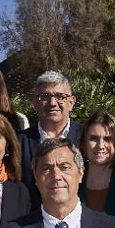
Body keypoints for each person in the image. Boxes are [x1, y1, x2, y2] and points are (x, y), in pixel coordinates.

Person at [18, 70, 82, 198]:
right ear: (35, 103)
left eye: (60, 97)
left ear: (71, 102)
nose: (52, 103)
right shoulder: (19, 142)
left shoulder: (87, 138)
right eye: (45, 96)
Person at [79, 109, 115, 220]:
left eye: (107, 139)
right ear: (84, 144)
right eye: (94, 138)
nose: (100, 145)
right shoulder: (72, 183)